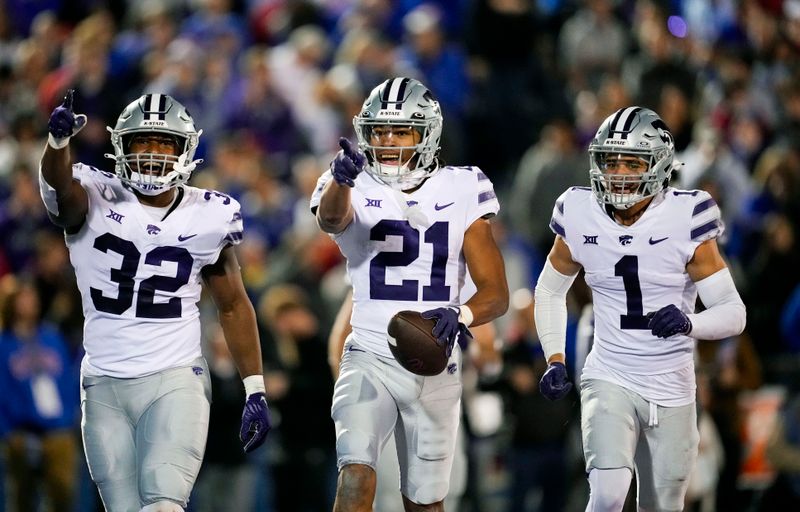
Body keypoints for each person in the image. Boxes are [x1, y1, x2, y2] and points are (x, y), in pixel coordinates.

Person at [39, 90, 271, 512]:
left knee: (163, 505)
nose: (152, 154)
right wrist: (57, 144)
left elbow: (234, 304)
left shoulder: (209, 213)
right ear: (121, 148)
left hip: (175, 376)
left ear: (186, 150)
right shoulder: (93, 193)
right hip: (103, 383)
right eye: (142, 142)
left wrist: (254, 387)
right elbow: (60, 189)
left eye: (165, 143)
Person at [533, 106, 747, 512]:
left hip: (672, 383)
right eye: (611, 162)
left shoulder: (687, 217)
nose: (619, 173)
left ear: (660, 166)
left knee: (662, 505)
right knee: (608, 497)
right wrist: (555, 358)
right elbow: (548, 291)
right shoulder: (580, 212)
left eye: (633, 162)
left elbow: (734, 313)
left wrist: (689, 323)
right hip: (609, 372)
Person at [311, 76, 509, 511]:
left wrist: (462, 316)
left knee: (425, 503)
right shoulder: (347, 182)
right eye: (379, 130)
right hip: (367, 354)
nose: (386, 140)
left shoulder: (462, 187)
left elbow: (496, 292)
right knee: (355, 476)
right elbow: (330, 221)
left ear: (426, 134)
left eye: (399, 130)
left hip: (436, 359)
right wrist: (341, 183)